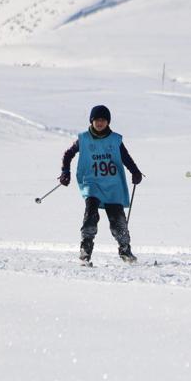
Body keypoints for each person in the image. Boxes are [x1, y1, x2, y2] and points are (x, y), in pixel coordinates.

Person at [58, 105, 143, 265]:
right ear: (92, 121)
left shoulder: (115, 139)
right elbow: (68, 154)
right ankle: (85, 250)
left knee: (118, 221)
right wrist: (65, 172)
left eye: (103, 120)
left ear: (108, 122)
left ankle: (125, 251)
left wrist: (135, 171)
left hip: (113, 185)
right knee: (91, 215)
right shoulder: (83, 139)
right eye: (97, 120)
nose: (100, 123)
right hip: (91, 182)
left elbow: (125, 157)